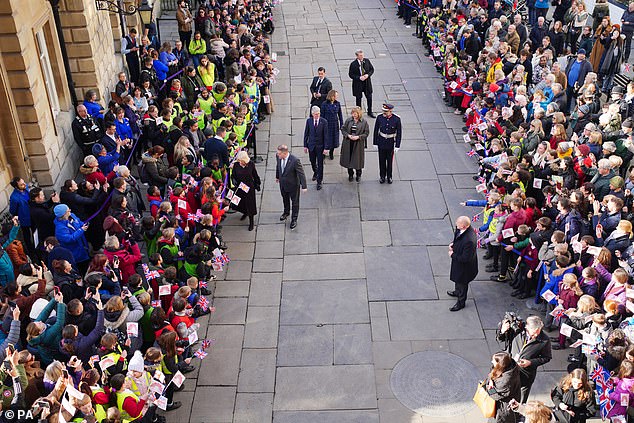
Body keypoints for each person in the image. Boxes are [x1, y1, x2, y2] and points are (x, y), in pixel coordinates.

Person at [498, 315, 552, 402]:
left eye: (539, 331)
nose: (536, 334)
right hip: (509, 369)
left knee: (522, 399)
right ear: (527, 328)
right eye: (534, 332)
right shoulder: (517, 331)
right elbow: (500, 339)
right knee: (506, 393)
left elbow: (547, 357)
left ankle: (519, 414)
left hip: (526, 374)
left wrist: (530, 362)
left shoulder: (544, 340)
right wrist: (502, 331)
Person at [448, 216, 478, 311]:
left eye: (458, 224)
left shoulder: (469, 240)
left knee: (462, 283)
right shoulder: (461, 229)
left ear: (464, 226)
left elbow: (466, 258)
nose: (456, 224)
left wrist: (452, 254)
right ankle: (457, 292)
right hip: (459, 264)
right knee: (458, 280)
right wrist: (453, 243)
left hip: (465, 268)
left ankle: (461, 302)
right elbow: (457, 237)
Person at [276, 144, 307, 230]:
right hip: (282, 184)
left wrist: (304, 186)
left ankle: (294, 219)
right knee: (285, 199)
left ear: (284, 153)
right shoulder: (278, 157)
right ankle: (286, 212)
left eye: (279, 153)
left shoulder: (295, 160)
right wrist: (277, 176)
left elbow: (301, 173)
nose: (277, 155)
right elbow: (278, 167)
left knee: (295, 202)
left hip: (293, 185)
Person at [485, 352, 521, 423]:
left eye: (494, 361)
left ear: (500, 364)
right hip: (511, 399)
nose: (491, 362)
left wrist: (489, 387)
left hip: (504, 408)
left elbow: (496, 396)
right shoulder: (511, 366)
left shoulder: (505, 381)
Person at [230, 151, 261, 231]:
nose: (239, 161)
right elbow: (233, 175)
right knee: (241, 203)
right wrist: (234, 182)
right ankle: (245, 212)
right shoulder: (236, 165)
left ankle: (251, 221)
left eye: (240, 160)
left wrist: (257, 184)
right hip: (240, 187)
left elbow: (255, 175)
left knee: (250, 204)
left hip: (249, 187)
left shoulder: (250, 164)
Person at [372, 103, 402, 184]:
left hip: (390, 142)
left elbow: (399, 133)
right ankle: (382, 176)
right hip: (381, 141)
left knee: (389, 161)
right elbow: (376, 130)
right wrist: (375, 142)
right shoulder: (379, 118)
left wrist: (397, 145)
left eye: (386, 111)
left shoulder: (396, 119)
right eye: (383, 111)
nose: (384, 113)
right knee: (381, 160)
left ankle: (389, 176)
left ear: (391, 111)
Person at [340, 106, 369, 182]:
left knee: (357, 160)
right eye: (352, 113)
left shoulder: (364, 122)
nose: (353, 115)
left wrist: (358, 137)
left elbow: (366, 133)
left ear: (359, 114)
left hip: (358, 144)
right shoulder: (348, 120)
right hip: (348, 143)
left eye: (355, 113)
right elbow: (343, 129)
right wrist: (348, 135)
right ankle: (350, 174)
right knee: (348, 159)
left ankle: (358, 174)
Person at [303, 106, 328, 190]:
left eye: (318, 114)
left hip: (320, 147)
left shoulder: (324, 122)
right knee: (312, 161)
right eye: (315, 114)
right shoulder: (309, 121)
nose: (317, 115)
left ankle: (319, 181)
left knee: (320, 164)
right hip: (311, 146)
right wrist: (305, 146)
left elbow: (326, 136)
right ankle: (315, 172)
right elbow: (306, 134)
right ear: (312, 114)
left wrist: (326, 148)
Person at [348, 49, 375, 117]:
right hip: (358, 84)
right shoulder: (353, 64)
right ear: (357, 56)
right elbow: (351, 74)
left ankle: (370, 111)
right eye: (360, 55)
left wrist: (367, 75)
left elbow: (372, 69)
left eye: (362, 55)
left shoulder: (367, 61)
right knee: (358, 99)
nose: (362, 57)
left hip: (367, 83)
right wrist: (359, 78)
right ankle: (359, 113)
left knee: (369, 97)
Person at [320, 90, 344, 161]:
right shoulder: (324, 104)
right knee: (325, 139)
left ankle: (331, 152)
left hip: (334, 124)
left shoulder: (338, 104)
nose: (337, 97)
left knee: (334, 139)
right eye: (336, 95)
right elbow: (322, 115)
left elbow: (340, 115)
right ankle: (324, 153)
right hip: (327, 124)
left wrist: (341, 124)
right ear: (332, 96)